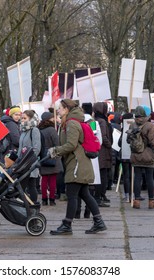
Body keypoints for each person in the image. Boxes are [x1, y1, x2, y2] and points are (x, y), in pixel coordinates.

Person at [48, 99, 107, 235]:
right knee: (84, 194)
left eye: (61, 108)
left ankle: (67, 225)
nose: (58, 110)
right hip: (79, 162)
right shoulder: (73, 122)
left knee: (72, 194)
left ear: (67, 109)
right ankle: (99, 222)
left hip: (77, 163)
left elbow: (71, 144)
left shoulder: (71, 123)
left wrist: (55, 151)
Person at [127, 106, 154, 209]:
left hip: (136, 155)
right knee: (149, 178)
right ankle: (151, 201)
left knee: (137, 177)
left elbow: (128, 140)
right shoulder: (149, 125)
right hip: (148, 155)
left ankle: (136, 201)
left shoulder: (132, 125)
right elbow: (153, 141)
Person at [38, 111, 62, 206]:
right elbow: (57, 143)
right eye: (52, 118)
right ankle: (51, 199)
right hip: (52, 155)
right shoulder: (52, 130)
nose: (54, 119)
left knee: (44, 179)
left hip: (43, 156)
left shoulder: (39, 130)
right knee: (52, 179)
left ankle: (44, 199)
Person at [17, 110, 41, 203]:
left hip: (30, 164)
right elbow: (20, 148)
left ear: (30, 119)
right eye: (22, 118)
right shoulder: (23, 130)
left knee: (31, 185)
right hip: (22, 164)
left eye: (24, 118)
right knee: (22, 186)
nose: (22, 120)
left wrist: (28, 161)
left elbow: (36, 148)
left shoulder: (34, 130)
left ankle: (33, 205)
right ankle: (25, 205)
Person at [93, 101, 112, 207]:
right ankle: (99, 196)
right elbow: (103, 137)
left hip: (97, 151)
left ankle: (99, 196)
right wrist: (109, 145)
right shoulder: (102, 122)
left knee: (99, 175)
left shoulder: (94, 120)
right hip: (103, 152)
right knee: (102, 176)